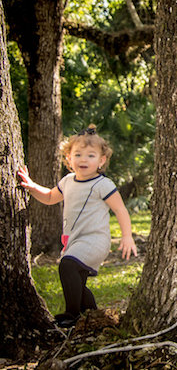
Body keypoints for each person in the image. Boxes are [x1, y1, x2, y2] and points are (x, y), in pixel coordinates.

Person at [17, 125, 137, 327]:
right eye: (78, 154)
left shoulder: (103, 184)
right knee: (78, 283)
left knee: (68, 265)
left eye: (91, 155)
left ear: (101, 160)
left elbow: (120, 210)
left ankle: (71, 315)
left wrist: (127, 236)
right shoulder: (68, 181)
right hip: (74, 241)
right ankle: (93, 317)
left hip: (95, 240)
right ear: (68, 158)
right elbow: (48, 197)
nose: (83, 159)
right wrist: (31, 185)